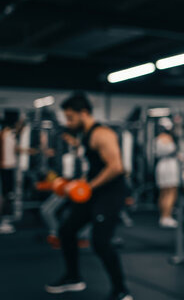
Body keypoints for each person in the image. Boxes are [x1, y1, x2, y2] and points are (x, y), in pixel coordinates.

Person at [45, 92, 132, 300]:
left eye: (71, 117)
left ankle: (121, 290)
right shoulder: (84, 134)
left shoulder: (102, 134)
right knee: (66, 230)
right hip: (94, 191)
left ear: (84, 113)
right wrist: (78, 183)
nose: (68, 122)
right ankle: (74, 277)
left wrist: (88, 186)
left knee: (101, 242)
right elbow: (93, 166)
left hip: (110, 193)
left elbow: (116, 167)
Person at [154, 117, 179, 228]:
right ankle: (167, 216)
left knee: (163, 192)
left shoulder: (157, 138)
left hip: (161, 165)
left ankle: (163, 216)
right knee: (171, 191)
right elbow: (172, 151)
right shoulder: (168, 138)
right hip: (169, 166)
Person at [0, 118, 18, 234]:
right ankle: (3, 222)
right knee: (5, 195)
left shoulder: (10, 135)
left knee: (8, 194)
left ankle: (5, 220)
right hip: (4, 166)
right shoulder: (3, 135)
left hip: (10, 165)